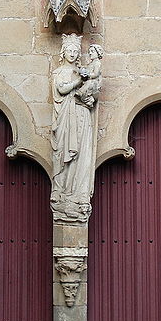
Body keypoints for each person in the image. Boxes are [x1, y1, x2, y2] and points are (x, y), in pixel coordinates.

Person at [51, 35, 96, 222]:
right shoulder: (59, 72)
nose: (72, 53)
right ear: (63, 52)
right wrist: (79, 82)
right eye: (69, 50)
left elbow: (92, 93)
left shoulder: (83, 72)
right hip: (64, 119)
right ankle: (61, 190)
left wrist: (89, 95)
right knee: (63, 155)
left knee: (80, 154)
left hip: (80, 116)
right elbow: (61, 90)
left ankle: (78, 193)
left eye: (75, 51)